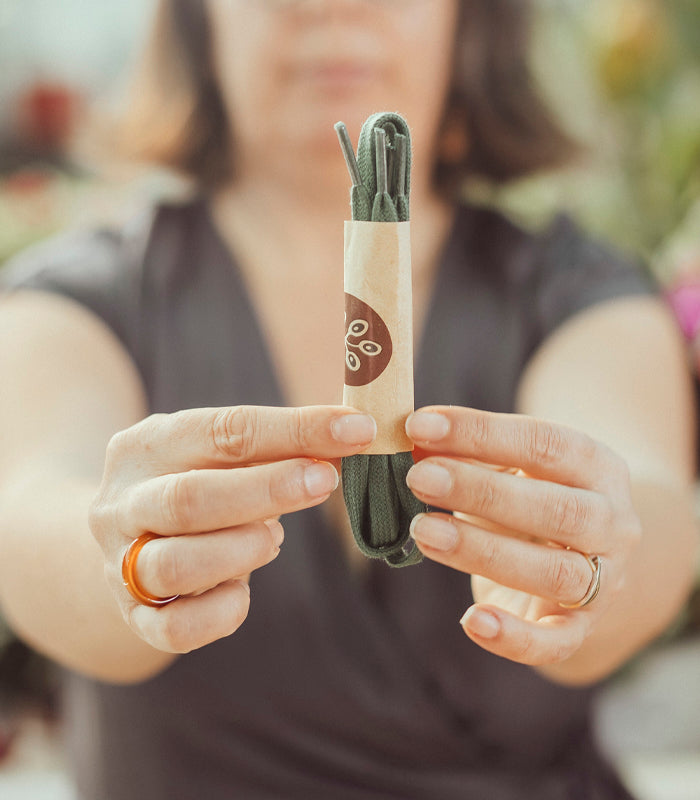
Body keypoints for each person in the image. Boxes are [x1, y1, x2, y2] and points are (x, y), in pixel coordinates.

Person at [0, 1, 696, 798]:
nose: (333, 9)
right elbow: (31, 511)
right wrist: (121, 559)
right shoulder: (78, 303)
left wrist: (593, 547)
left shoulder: (575, 293)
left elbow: (650, 501)